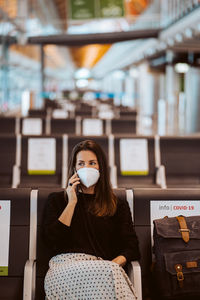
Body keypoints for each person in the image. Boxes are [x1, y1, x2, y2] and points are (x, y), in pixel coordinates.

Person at [42, 139, 140, 299]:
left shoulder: (116, 205)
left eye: (92, 163)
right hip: (64, 269)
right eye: (81, 164)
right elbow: (51, 241)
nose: (86, 168)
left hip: (104, 270)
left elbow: (132, 248)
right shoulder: (57, 200)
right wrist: (72, 202)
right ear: (74, 168)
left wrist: (111, 265)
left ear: (100, 167)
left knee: (111, 275)